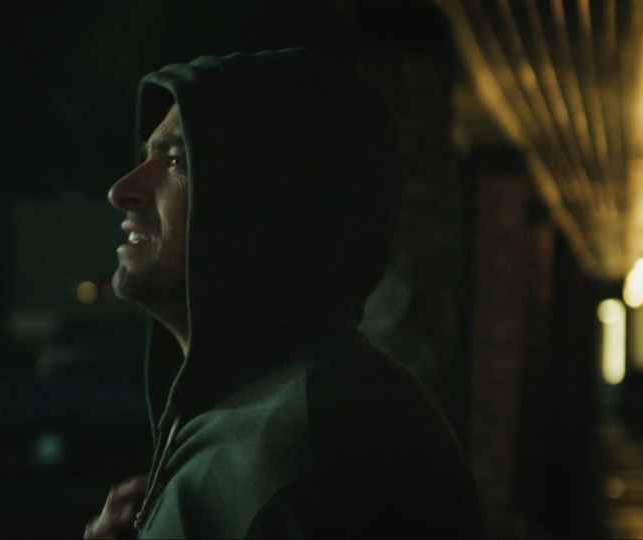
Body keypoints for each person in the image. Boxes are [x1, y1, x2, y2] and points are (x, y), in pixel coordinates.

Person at [84, 48, 481, 539]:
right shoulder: (277, 415)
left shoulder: (290, 451)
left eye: (177, 161)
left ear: (272, 203)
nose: (122, 190)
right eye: (146, 158)